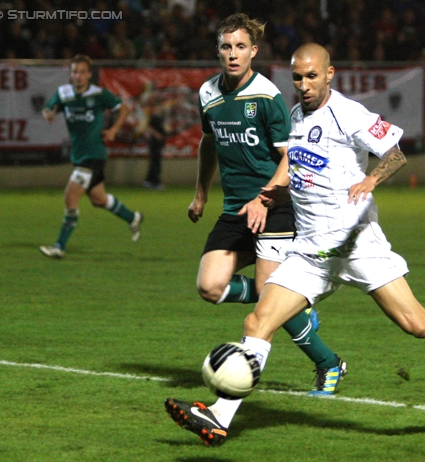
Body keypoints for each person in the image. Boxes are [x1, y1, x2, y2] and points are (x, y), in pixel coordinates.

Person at [165, 42, 425, 446]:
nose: (304, 85)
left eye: (313, 76)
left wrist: (371, 180)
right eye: (297, 77)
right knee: (258, 322)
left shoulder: (349, 113)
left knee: (419, 325)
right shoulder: (295, 117)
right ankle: (219, 416)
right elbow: (300, 168)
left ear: (330, 74)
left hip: (358, 246)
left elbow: (396, 154)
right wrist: (273, 195)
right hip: (311, 251)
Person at [165, 15, 347, 442]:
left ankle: (329, 363)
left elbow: (291, 156)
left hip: (275, 206)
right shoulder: (208, 93)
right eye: (226, 47)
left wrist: (264, 197)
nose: (232, 54)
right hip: (234, 209)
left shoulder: (266, 96)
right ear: (219, 51)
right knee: (210, 287)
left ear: (253, 51)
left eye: (240, 47)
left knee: (268, 299)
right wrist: (200, 194)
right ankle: (297, 306)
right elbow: (209, 142)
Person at [40, 54, 143, 259]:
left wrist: (113, 129)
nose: (78, 76)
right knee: (98, 199)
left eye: (82, 72)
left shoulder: (99, 95)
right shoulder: (64, 93)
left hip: (94, 154)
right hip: (79, 155)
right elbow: (48, 108)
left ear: (88, 75)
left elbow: (124, 109)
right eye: (74, 72)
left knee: (70, 197)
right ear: (71, 74)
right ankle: (133, 218)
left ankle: (59, 246)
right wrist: (48, 114)